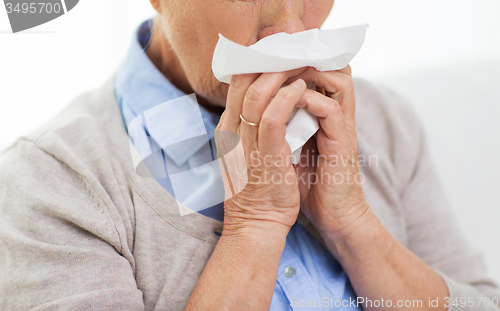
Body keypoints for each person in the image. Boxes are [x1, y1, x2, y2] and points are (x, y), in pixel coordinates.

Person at [0, 0, 498, 310]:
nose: (286, 30)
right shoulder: (51, 182)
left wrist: (356, 228)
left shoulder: (384, 121)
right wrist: (253, 228)